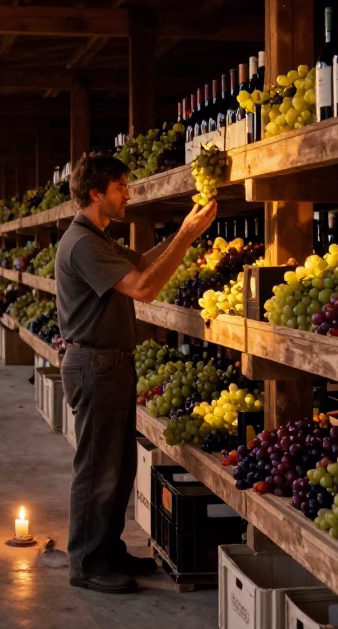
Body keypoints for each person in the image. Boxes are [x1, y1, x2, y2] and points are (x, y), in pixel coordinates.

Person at [55, 153, 218, 594]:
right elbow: (144, 288)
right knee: (96, 469)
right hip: (95, 365)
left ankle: (107, 550)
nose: (128, 194)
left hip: (111, 363)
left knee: (120, 467)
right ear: (96, 193)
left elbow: (143, 262)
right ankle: (86, 564)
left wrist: (186, 229)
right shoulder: (83, 243)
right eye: (121, 186)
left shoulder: (100, 237)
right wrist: (184, 236)